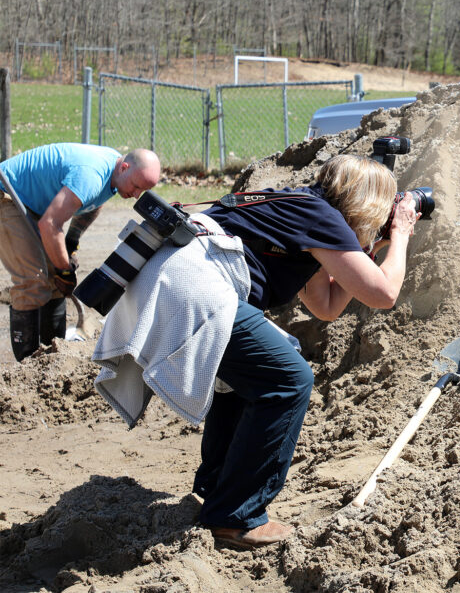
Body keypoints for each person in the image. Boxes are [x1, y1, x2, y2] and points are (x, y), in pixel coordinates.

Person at [90, 153, 420, 549]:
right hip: (195, 284)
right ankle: (238, 517)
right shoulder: (322, 219)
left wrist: (367, 248)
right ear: (369, 201)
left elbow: (327, 306)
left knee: (250, 379)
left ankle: (218, 492)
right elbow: (384, 294)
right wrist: (400, 234)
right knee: (289, 378)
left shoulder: (302, 210)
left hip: (174, 276)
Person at [0, 143, 162, 361]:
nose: (135, 195)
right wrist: (64, 269)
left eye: (141, 191)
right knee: (33, 281)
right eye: (135, 187)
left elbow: (93, 203)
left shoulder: (113, 174)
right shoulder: (91, 174)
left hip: (32, 205)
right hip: (7, 197)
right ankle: (27, 367)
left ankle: (52, 356)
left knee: (54, 283)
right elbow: (50, 224)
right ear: (124, 167)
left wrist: (71, 241)